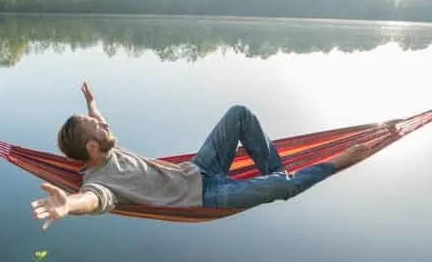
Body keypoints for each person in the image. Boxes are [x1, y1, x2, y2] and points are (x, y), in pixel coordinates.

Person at [30, 82, 400, 229]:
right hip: (203, 197)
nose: (106, 127)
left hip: (197, 170)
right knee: (283, 189)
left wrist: (92, 106)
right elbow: (92, 200)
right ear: (92, 149)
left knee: (238, 112)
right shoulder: (100, 182)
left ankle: (275, 169)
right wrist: (67, 206)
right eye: (99, 130)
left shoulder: (106, 148)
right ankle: (343, 158)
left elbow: (100, 124)